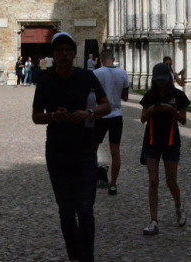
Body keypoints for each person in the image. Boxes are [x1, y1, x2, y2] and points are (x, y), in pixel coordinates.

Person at [33, 31, 110, 262]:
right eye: (59, 51)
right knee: (66, 212)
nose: (64, 55)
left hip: (85, 149)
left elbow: (106, 106)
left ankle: (88, 257)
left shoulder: (87, 77)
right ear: (54, 55)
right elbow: (36, 116)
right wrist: (55, 117)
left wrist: (88, 113)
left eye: (68, 50)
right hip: (57, 151)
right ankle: (75, 256)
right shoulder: (45, 80)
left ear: (75, 54)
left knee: (85, 210)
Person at [140, 63, 190, 236]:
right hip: (152, 141)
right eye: (158, 81)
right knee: (153, 180)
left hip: (171, 141)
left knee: (171, 181)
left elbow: (183, 120)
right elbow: (142, 118)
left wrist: (171, 110)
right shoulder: (150, 96)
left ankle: (178, 206)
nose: (161, 84)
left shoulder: (178, 96)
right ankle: (154, 220)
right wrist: (153, 109)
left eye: (163, 81)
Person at [93, 48, 129, 195]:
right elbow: (125, 97)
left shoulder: (96, 74)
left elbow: (91, 96)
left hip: (101, 114)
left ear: (101, 59)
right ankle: (113, 184)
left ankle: (91, 179)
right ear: (113, 59)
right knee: (115, 152)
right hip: (116, 115)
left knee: (92, 149)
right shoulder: (122, 73)